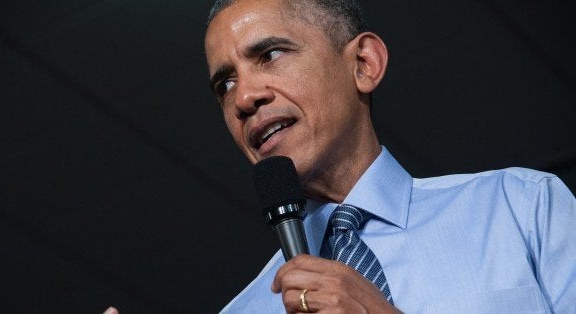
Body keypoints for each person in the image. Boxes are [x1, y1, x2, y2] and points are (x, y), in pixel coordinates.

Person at [203, 0, 576, 313]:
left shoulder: (522, 209)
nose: (244, 98)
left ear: (364, 64)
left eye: (270, 55)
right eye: (226, 84)